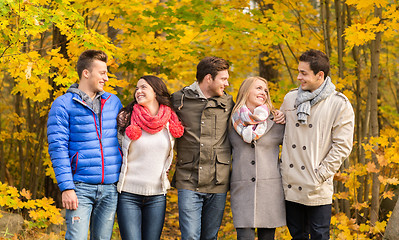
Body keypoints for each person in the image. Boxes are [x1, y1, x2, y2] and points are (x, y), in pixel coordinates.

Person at [47, 49, 122, 239]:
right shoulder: (63, 104)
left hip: (110, 187)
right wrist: (67, 187)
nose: (106, 78)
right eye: (102, 73)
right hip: (80, 187)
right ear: (86, 73)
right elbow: (58, 148)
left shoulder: (113, 102)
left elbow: (125, 140)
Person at [280, 49, 355, 239]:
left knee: (320, 235)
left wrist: (320, 175)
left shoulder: (339, 104)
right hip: (291, 182)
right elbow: (281, 135)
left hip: (316, 186)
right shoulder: (290, 98)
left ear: (320, 75)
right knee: (297, 235)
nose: (298, 77)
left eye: (303, 73)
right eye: (298, 72)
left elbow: (342, 146)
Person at [171, 56, 234, 240]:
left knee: (210, 236)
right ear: (208, 78)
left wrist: (276, 115)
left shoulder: (229, 103)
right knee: (190, 236)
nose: (227, 83)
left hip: (218, 180)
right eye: (223, 79)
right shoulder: (178, 99)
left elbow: (252, 114)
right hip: (188, 178)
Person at [116, 75, 184, 239]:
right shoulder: (127, 119)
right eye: (137, 88)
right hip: (128, 194)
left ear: (156, 91)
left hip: (157, 196)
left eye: (143, 87)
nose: (138, 91)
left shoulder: (170, 122)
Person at [229, 76, 286, 240]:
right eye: (259, 88)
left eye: (266, 90)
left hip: (270, 191)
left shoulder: (276, 120)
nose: (264, 93)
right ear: (246, 91)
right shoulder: (232, 121)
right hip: (242, 189)